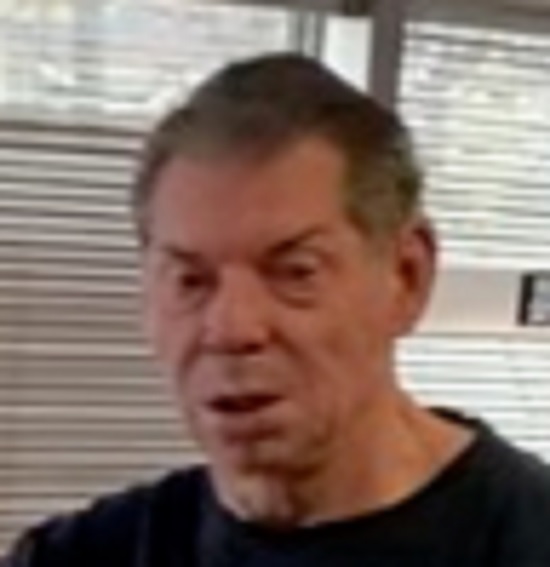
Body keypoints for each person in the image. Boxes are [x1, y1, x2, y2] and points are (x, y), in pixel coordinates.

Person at [3, 53, 550, 567]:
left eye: (295, 272)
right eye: (191, 281)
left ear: (407, 277)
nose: (232, 328)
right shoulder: (84, 554)